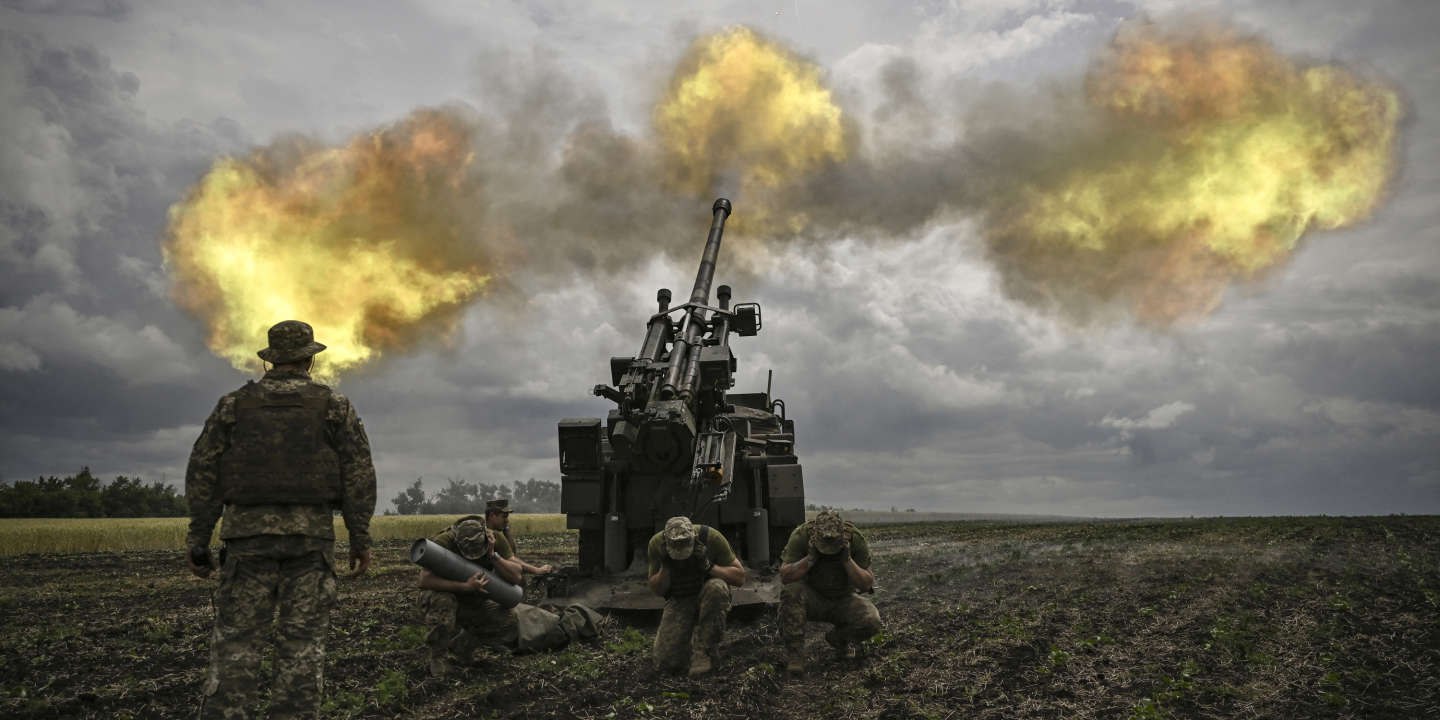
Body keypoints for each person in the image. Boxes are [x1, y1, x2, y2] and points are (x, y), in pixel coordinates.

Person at [184, 319, 377, 719]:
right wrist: (360, 538)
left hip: (247, 539)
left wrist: (198, 540)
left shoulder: (233, 404)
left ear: (271, 360)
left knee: (236, 643)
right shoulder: (334, 405)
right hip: (310, 542)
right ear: (309, 360)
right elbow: (358, 473)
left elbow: (203, 472)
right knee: (302, 645)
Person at [416, 516, 599, 676]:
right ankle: (438, 659)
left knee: (507, 621)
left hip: (475, 598)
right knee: (443, 600)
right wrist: (465, 586)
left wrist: (493, 556)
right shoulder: (444, 541)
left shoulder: (495, 539)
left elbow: (516, 576)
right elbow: (424, 580)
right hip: (447, 595)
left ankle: (462, 647)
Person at [777, 509, 883, 675]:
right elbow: (786, 576)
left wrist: (847, 560)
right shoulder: (801, 535)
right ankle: (795, 655)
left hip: (843, 599)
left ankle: (840, 639)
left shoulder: (855, 538)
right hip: (813, 598)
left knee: (871, 620)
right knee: (791, 592)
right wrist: (810, 559)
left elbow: (866, 583)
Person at [646, 516, 746, 677]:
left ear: (695, 539)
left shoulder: (711, 537)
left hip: (707, 593)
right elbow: (657, 589)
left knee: (717, 587)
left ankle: (704, 651)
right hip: (680, 598)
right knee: (665, 663)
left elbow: (740, 577)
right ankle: (687, 646)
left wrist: (708, 565)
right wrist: (665, 566)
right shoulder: (656, 544)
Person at [484, 498, 552, 576]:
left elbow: (510, 552)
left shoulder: (483, 530)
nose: (507, 520)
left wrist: (506, 529)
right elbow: (512, 559)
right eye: (504, 517)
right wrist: (537, 570)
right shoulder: (495, 535)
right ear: (492, 515)